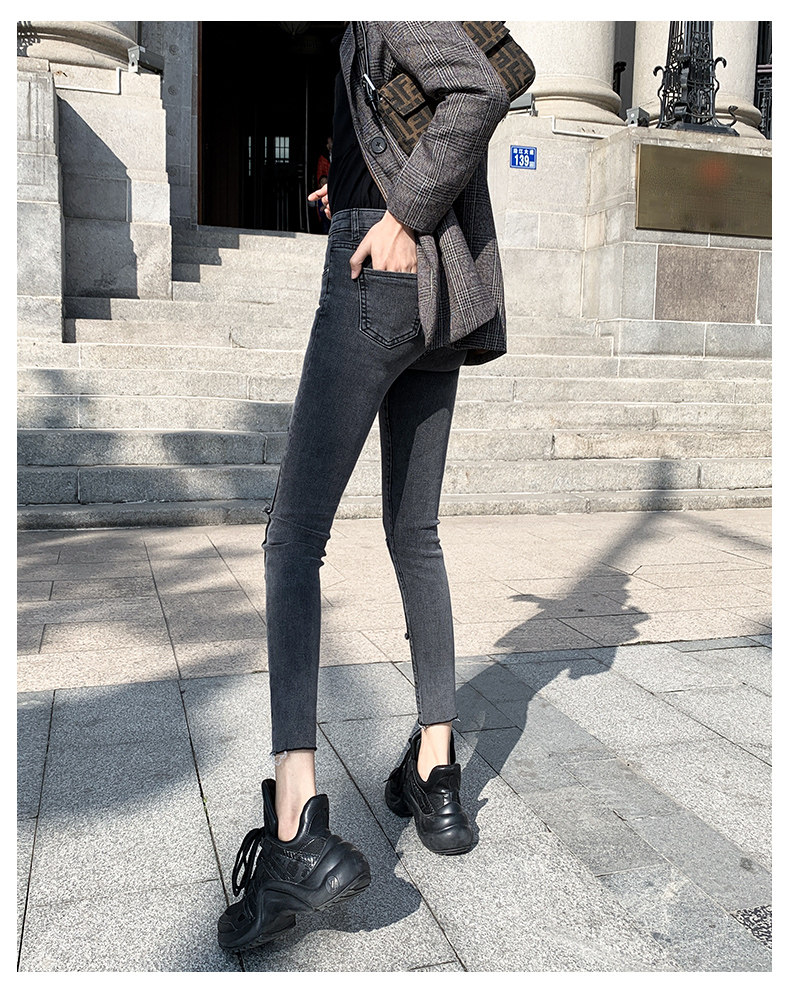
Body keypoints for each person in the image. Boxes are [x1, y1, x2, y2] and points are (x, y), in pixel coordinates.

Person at [217, 21, 511, 952]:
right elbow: (420, 109)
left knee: (292, 537)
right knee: (414, 533)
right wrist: (354, 178)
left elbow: (478, 90)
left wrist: (394, 212)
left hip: (382, 268)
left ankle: (297, 824)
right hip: (435, 292)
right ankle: (438, 777)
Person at [314, 135, 332, 233]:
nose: (329, 145)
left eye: (330, 142)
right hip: (326, 187)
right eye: (328, 143)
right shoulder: (323, 158)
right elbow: (320, 173)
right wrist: (322, 183)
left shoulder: (339, 154)